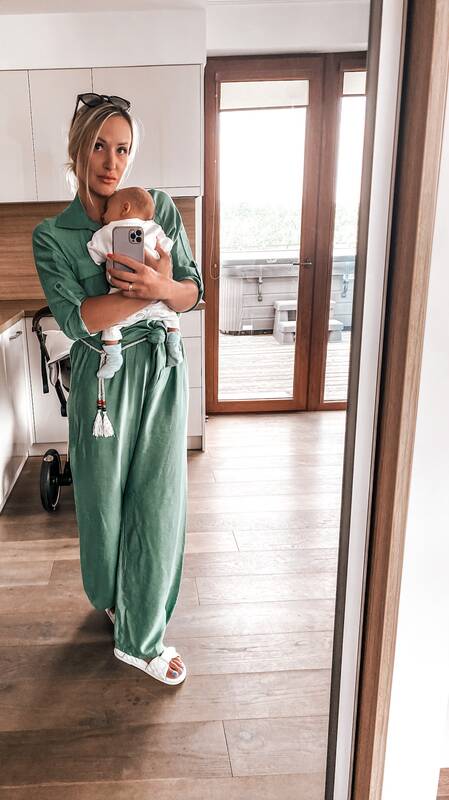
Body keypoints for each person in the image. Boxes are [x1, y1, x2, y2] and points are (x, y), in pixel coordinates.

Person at [31, 92, 204, 685]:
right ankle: (112, 596)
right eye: (100, 146)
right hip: (102, 381)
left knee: (159, 498)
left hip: (162, 364)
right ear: (77, 149)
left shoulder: (157, 209)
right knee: (101, 505)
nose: (112, 162)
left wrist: (161, 287)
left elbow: (192, 291)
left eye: (123, 149)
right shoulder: (54, 235)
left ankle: (142, 636)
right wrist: (150, 293)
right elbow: (77, 318)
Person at [86, 185, 183, 379]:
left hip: (123, 296)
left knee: (111, 326)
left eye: (107, 209)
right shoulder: (154, 228)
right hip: (158, 298)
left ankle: (114, 357)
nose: (103, 215)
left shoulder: (109, 231)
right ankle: (173, 344)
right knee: (171, 317)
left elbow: (94, 251)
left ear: (125, 208)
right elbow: (166, 250)